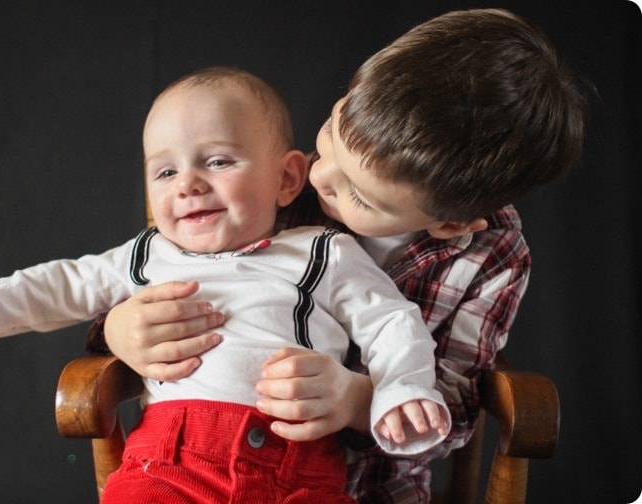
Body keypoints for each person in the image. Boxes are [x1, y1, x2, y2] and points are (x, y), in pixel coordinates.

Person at [91, 8, 590, 503]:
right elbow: (157, 277)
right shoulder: (270, 185)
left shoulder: (493, 255)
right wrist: (118, 330)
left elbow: (455, 411)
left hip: (373, 485)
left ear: (451, 223)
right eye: (331, 135)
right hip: (202, 469)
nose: (318, 177)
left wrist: (359, 401)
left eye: (360, 195)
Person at [0, 67, 451, 503]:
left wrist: (401, 389)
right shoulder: (147, 255)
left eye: (216, 160)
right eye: (165, 172)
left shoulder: (320, 252)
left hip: (297, 469)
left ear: (286, 179)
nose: (187, 184)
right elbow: (61, 284)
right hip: (168, 461)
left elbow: (391, 322)